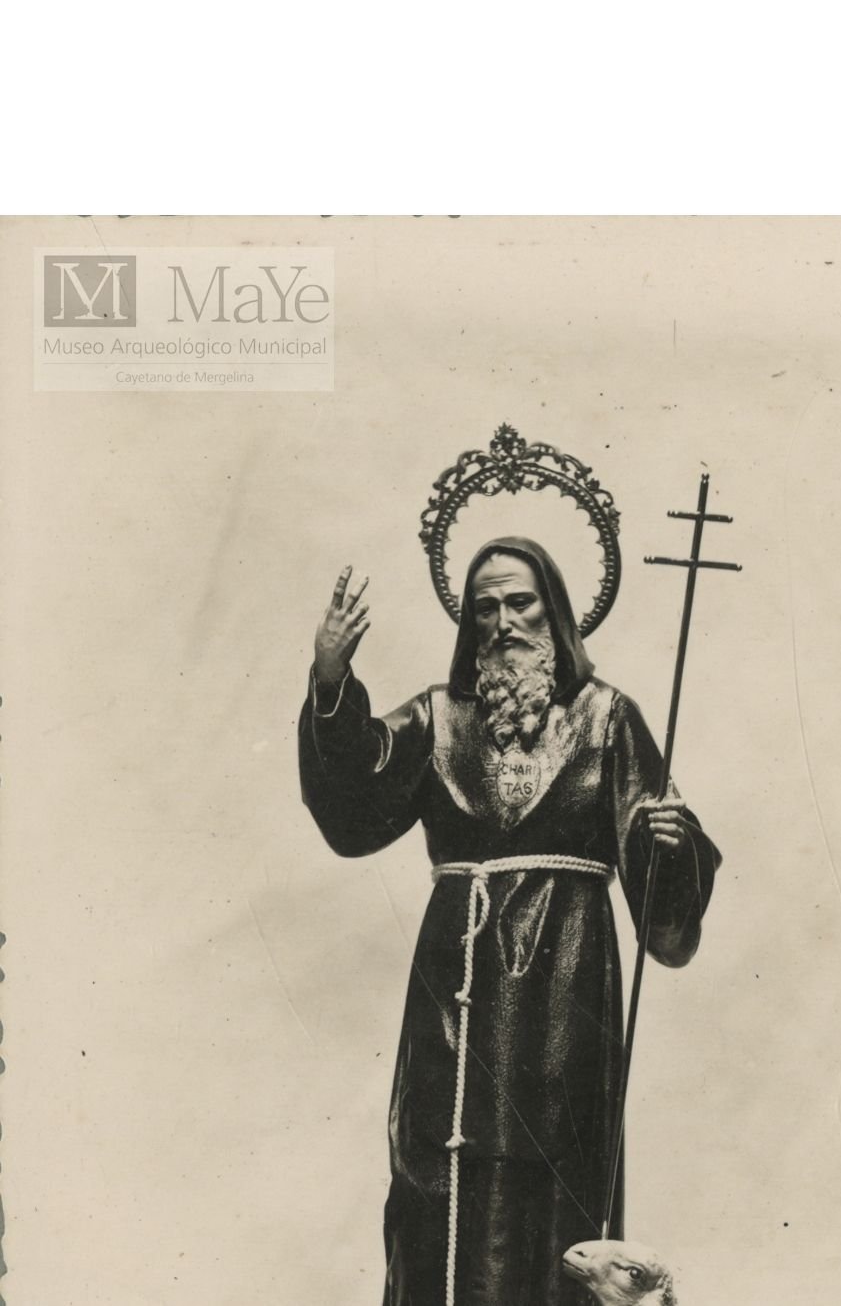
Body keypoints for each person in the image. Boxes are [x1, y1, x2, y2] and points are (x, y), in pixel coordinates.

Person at [298, 537, 722, 1306]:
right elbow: (353, 802)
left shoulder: (606, 717)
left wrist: (673, 843)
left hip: (565, 989)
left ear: (553, 611)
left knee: (554, 1175)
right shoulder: (438, 717)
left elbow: (663, 898)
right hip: (452, 990)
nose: (502, 622)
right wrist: (330, 680)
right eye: (484, 606)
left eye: (520, 601)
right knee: (435, 1170)